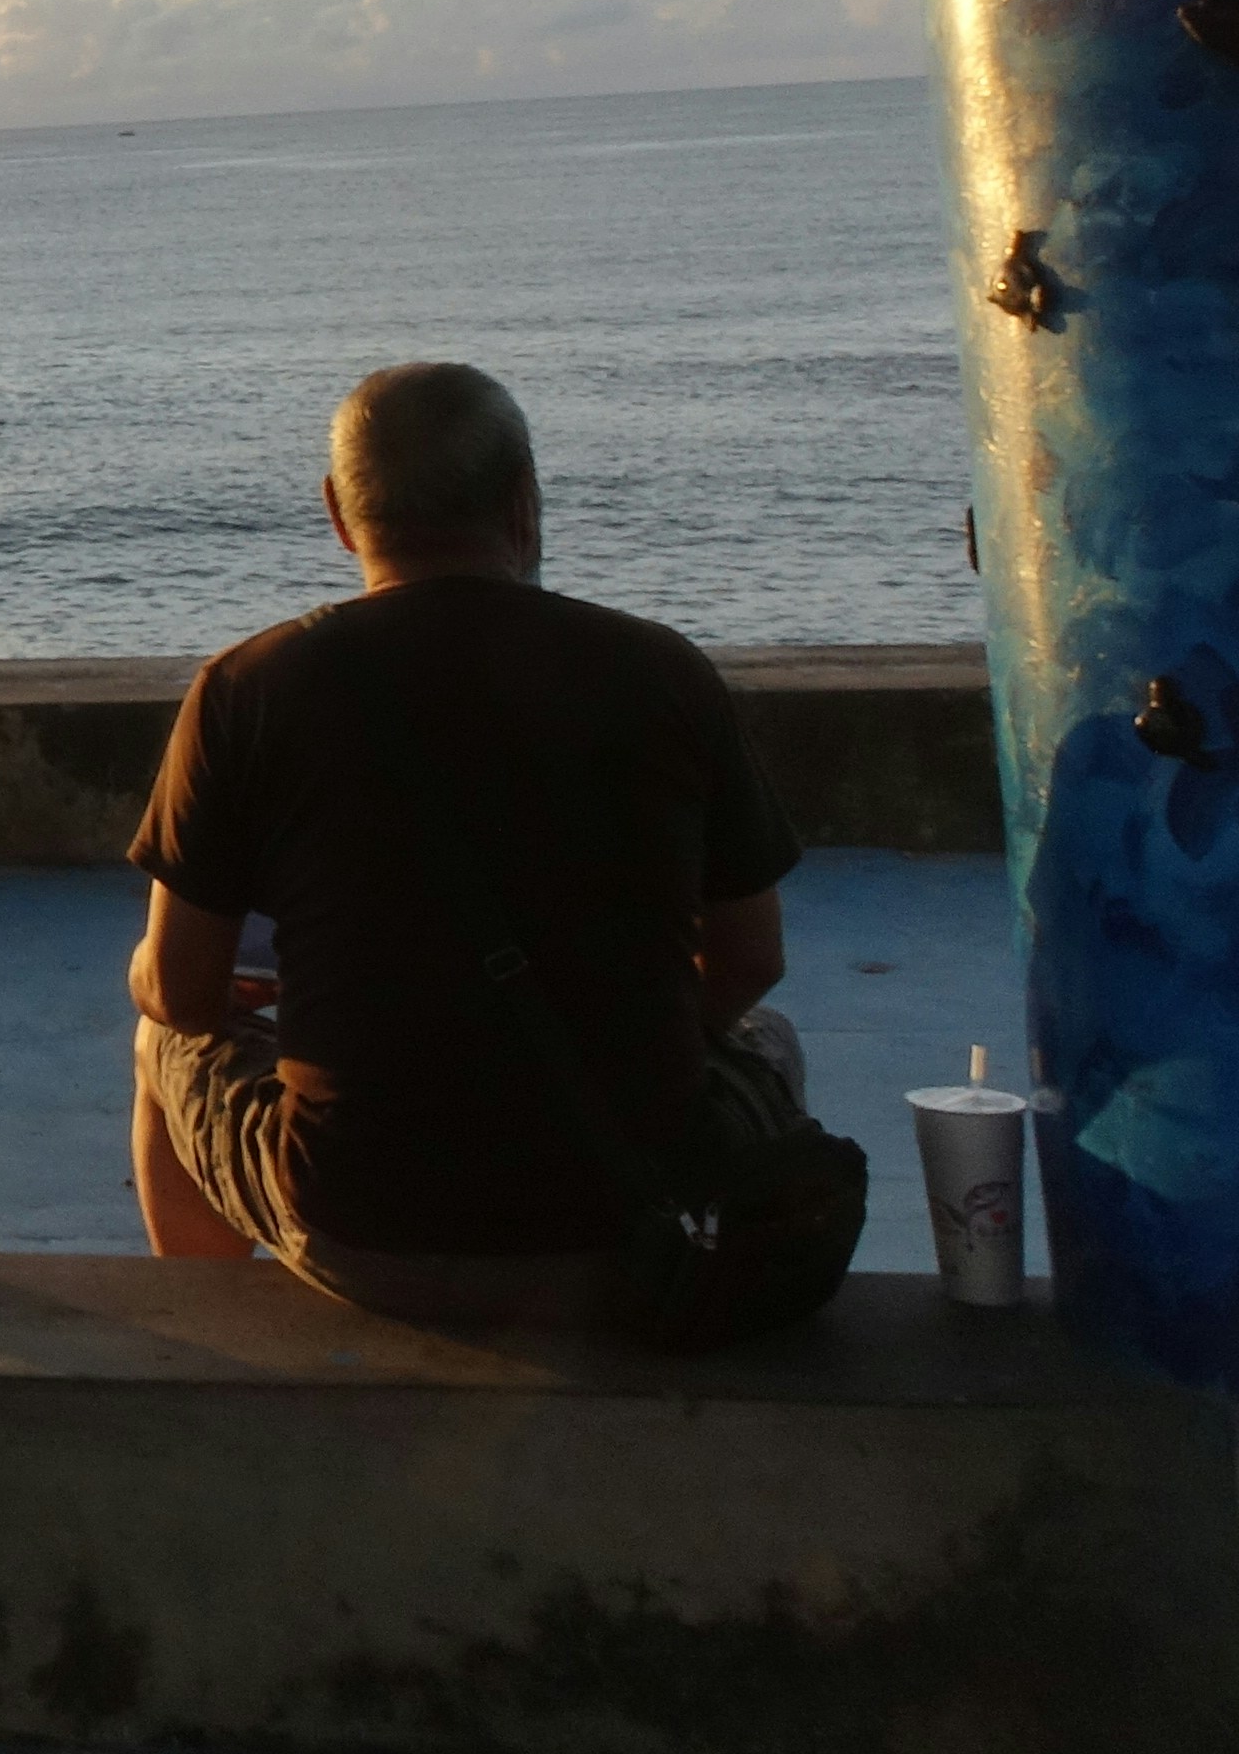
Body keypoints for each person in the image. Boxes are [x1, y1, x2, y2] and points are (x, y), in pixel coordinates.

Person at [122, 359, 813, 1326]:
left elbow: (187, 995)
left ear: (338, 513)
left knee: (163, 1040)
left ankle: (207, 1331)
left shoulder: (249, 688)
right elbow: (752, 958)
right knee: (770, 1042)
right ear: (524, 502)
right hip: (621, 1226)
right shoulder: (662, 672)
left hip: (362, 1232)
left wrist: (156, 981)